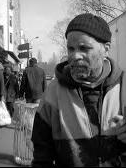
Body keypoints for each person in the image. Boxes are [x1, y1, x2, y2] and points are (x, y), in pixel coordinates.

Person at [31, 13, 126, 167]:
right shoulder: (53, 92)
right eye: (71, 48)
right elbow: (42, 154)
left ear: (106, 49)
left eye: (84, 48)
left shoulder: (124, 87)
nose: (74, 56)